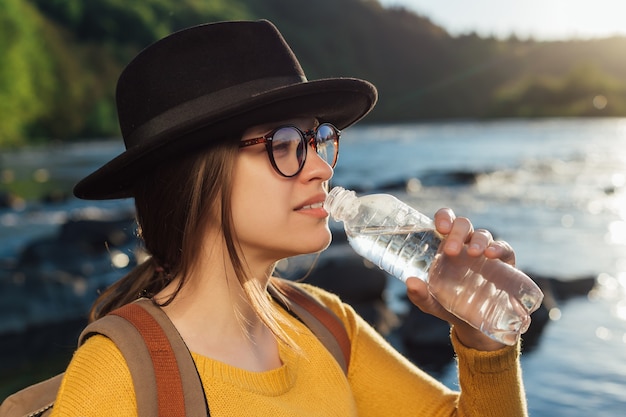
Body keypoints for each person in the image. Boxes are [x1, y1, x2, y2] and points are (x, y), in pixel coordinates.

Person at [52, 19, 528, 416]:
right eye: (283, 145)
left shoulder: (328, 326)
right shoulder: (118, 378)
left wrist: (483, 344)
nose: (321, 167)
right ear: (193, 178)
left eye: (317, 139)